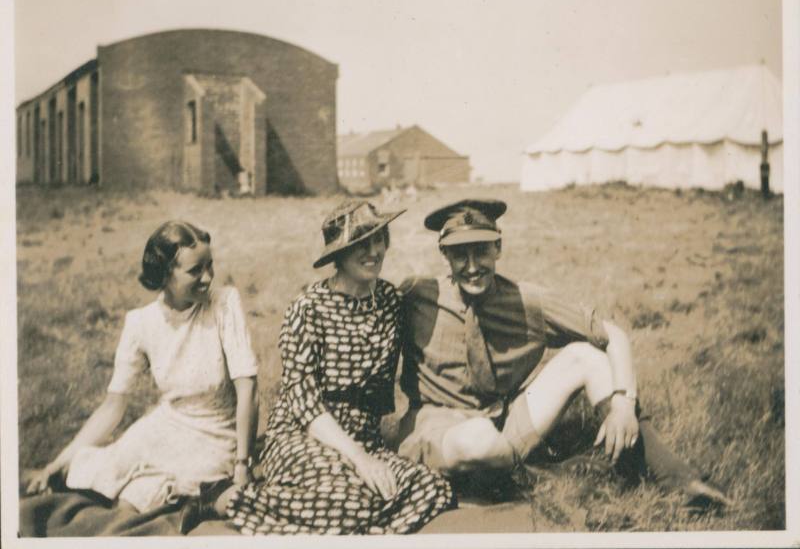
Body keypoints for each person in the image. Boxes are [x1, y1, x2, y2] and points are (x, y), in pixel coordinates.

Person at [395, 198, 730, 506]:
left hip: (502, 422)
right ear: (444, 255)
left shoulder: (527, 301)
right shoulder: (416, 294)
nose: (471, 266)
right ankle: (548, 474)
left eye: (481, 250)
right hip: (438, 428)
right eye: (459, 254)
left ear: (498, 247)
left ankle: (675, 478)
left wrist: (624, 405)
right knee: (477, 441)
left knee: (587, 356)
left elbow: (612, 334)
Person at [220, 200, 454, 535]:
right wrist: (360, 460)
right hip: (301, 437)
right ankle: (228, 499)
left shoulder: (390, 301)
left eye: (378, 239)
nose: (373, 251)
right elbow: (304, 404)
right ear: (338, 255)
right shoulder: (307, 309)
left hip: (366, 439)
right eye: (360, 244)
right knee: (350, 500)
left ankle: (357, 528)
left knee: (433, 489)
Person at [22, 220, 259, 535]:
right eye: (194, 271)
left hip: (215, 438)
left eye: (210, 266)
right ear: (164, 275)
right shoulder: (140, 323)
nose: (208, 278)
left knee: (148, 496)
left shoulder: (225, 303)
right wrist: (58, 462)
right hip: (164, 427)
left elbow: (249, 391)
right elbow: (113, 407)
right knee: (90, 470)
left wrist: (243, 464)